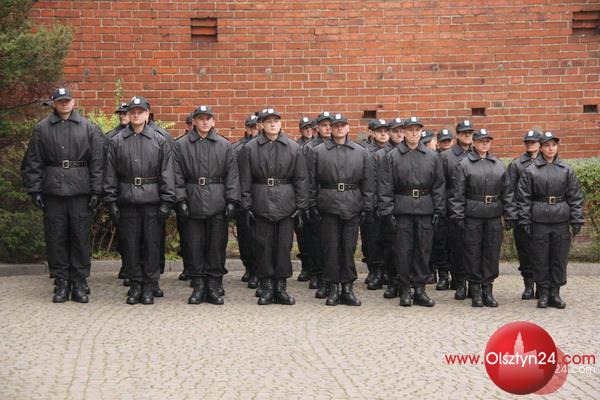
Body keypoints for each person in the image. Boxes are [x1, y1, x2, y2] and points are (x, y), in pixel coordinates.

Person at [21, 87, 105, 303]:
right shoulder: (42, 129)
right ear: (54, 104)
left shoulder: (89, 128)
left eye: (67, 100)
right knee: (56, 237)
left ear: (74, 102)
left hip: (80, 191)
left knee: (80, 237)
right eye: (60, 101)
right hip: (53, 191)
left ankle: (79, 281)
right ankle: (61, 281)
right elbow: (33, 162)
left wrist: (96, 191)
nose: (64, 104)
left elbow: (97, 163)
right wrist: (35, 189)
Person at [103, 96, 176, 305]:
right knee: (131, 245)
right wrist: (111, 201)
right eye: (132, 112)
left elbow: (167, 172)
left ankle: (150, 284)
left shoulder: (159, 140)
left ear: (147, 114)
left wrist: (167, 201)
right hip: (127, 201)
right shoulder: (117, 141)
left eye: (140, 112)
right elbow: (110, 173)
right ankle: (135, 285)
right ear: (128, 114)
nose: (135, 115)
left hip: (152, 201)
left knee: (152, 245)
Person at [238, 108, 309, 305]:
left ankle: (281, 287)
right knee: (263, 246)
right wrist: (246, 205)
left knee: (283, 246)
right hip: (260, 201)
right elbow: (244, 179)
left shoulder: (293, 148)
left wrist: (301, 205)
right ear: (261, 124)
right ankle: (267, 286)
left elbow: (301, 178)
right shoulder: (250, 148)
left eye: (276, 121)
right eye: (268, 121)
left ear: (280, 123)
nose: (272, 124)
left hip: (286, 202)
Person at [173, 105, 240, 305]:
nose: (204, 122)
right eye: (200, 118)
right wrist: (180, 199)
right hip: (192, 200)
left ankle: (213, 285)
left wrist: (232, 200)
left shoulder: (224, 145)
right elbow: (176, 175)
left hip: (217, 201)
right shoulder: (181, 145)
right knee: (194, 246)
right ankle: (199, 285)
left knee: (216, 246)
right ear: (194, 121)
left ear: (213, 121)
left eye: (207, 118)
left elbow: (232, 175)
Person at [307, 113, 375, 306]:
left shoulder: (360, 152)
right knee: (330, 248)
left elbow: (368, 181)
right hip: (328, 204)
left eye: (342, 125)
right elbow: (311, 181)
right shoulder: (318, 151)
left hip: (352, 204)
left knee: (348, 247)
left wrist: (367, 205)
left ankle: (347, 287)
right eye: (335, 125)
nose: (338, 128)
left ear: (348, 127)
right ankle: (333, 287)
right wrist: (311, 204)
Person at [378, 116, 445, 307]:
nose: (414, 133)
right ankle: (405, 289)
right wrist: (387, 211)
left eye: (417, 130)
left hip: (425, 208)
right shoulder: (392, 156)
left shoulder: (432, 156)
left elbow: (439, 185)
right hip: (402, 209)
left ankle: (420, 290)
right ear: (404, 132)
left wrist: (439, 210)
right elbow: (386, 185)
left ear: (421, 132)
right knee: (403, 251)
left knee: (423, 250)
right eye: (410, 130)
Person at [516, 131, 584, 309]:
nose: (551, 148)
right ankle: (543, 293)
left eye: (554, 145)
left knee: (559, 257)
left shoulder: (566, 169)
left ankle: (555, 293)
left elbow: (575, 196)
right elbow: (524, 198)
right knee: (540, 257)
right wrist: (525, 220)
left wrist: (576, 218)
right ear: (541, 148)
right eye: (546, 145)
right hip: (539, 219)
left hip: (561, 219)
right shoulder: (531, 170)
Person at [449, 129, 516, 307]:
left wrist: (509, 214)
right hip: (473, 215)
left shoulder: (498, 164)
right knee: (472, 253)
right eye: (481, 141)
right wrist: (458, 215)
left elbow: (507, 192)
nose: (485, 144)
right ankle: (475, 290)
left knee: (491, 252)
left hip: (493, 215)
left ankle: (488, 289)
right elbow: (458, 193)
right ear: (474, 143)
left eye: (487, 141)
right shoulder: (464, 164)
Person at [440, 120, 474, 299]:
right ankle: (459, 283)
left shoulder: (479, 154)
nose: (467, 135)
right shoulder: (447, 156)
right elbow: (441, 185)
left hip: (475, 209)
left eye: (470, 132)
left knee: (473, 249)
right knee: (457, 249)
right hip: (453, 209)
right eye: (464, 132)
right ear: (458, 135)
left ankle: (473, 284)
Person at [507, 129, 542, 299]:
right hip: (522, 214)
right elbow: (510, 192)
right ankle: (528, 285)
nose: (530, 145)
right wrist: (512, 215)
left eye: (533, 142)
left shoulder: (548, 162)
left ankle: (542, 285)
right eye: (528, 142)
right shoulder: (516, 165)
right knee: (525, 252)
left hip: (542, 214)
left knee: (542, 252)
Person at [361, 119, 393, 291]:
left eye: (386, 131)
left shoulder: (393, 151)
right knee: (372, 240)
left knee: (388, 239)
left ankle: (387, 271)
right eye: (379, 131)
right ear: (372, 133)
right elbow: (367, 181)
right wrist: (369, 204)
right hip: (372, 202)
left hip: (388, 203)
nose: (383, 134)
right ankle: (375, 272)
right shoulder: (365, 151)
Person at [303, 112, 333, 295]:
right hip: (316, 198)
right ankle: (316, 273)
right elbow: (306, 176)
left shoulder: (339, 146)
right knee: (315, 240)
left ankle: (331, 275)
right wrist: (309, 202)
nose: (328, 128)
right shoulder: (310, 147)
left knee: (331, 242)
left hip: (332, 199)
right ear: (317, 128)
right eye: (324, 125)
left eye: (330, 125)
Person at [233, 114, 259, 287]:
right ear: (247, 129)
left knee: (261, 238)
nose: (255, 130)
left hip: (262, 198)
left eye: (257, 127)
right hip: (243, 198)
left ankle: (260, 270)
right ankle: (249, 267)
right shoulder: (237, 148)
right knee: (246, 237)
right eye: (252, 127)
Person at [430, 128, 454, 291]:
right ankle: (443, 275)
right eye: (443, 141)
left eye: (448, 141)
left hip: (454, 205)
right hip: (439, 205)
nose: (446, 144)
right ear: (438, 143)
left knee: (455, 244)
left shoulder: (457, 158)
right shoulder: (434, 158)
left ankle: (456, 276)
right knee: (439, 243)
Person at [295, 116, 314, 282]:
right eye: (305, 128)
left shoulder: (318, 146)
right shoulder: (297, 146)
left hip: (314, 195)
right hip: (301, 195)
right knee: (302, 234)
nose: (308, 130)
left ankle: (316, 268)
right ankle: (306, 266)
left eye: (310, 127)